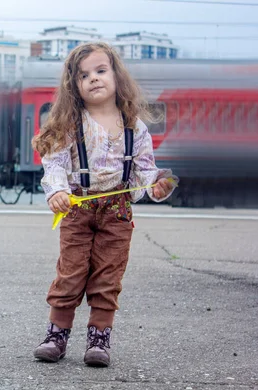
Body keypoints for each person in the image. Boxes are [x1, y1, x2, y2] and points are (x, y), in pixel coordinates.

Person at [31, 42, 179, 368]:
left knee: (108, 276)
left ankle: (99, 338)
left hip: (118, 213)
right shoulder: (71, 124)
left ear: (116, 76)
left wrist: (157, 184)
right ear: (75, 86)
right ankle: (57, 335)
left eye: (101, 71)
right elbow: (54, 164)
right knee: (71, 272)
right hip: (77, 207)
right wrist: (56, 191)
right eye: (84, 75)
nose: (93, 79)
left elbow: (144, 171)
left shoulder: (134, 127)